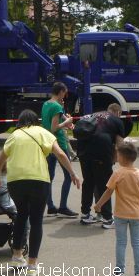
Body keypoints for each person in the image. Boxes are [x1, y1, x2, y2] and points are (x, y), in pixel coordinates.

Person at [0, 109, 80, 276]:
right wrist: (72, 173)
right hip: (39, 180)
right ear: (35, 121)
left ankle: (17, 256)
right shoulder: (42, 132)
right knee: (36, 220)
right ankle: (32, 264)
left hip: (15, 181)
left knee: (21, 215)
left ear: (20, 121)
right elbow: (61, 153)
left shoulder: (14, 135)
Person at [94, 141, 139, 276]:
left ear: (122, 157)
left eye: (117, 154)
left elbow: (108, 191)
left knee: (121, 243)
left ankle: (119, 272)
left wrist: (98, 205)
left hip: (120, 214)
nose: (116, 157)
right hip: (137, 214)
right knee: (137, 243)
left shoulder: (118, 173)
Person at [76, 103, 127, 228]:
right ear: (118, 112)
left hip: (83, 151)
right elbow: (120, 145)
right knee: (105, 185)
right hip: (101, 152)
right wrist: (119, 161)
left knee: (88, 182)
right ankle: (107, 218)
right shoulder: (116, 120)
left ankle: (85, 214)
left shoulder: (92, 116)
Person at [41, 82, 77, 218]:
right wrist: (66, 123)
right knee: (68, 175)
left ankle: (50, 206)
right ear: (61, 92)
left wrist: (65, 119)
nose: (65, 96)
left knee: (49, 176)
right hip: (59, 143)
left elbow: (49, 122)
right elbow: (54, 127)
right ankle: (63, 206)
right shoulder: (56, 106)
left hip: (47, 143)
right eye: (65, 93)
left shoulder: (46, 104)